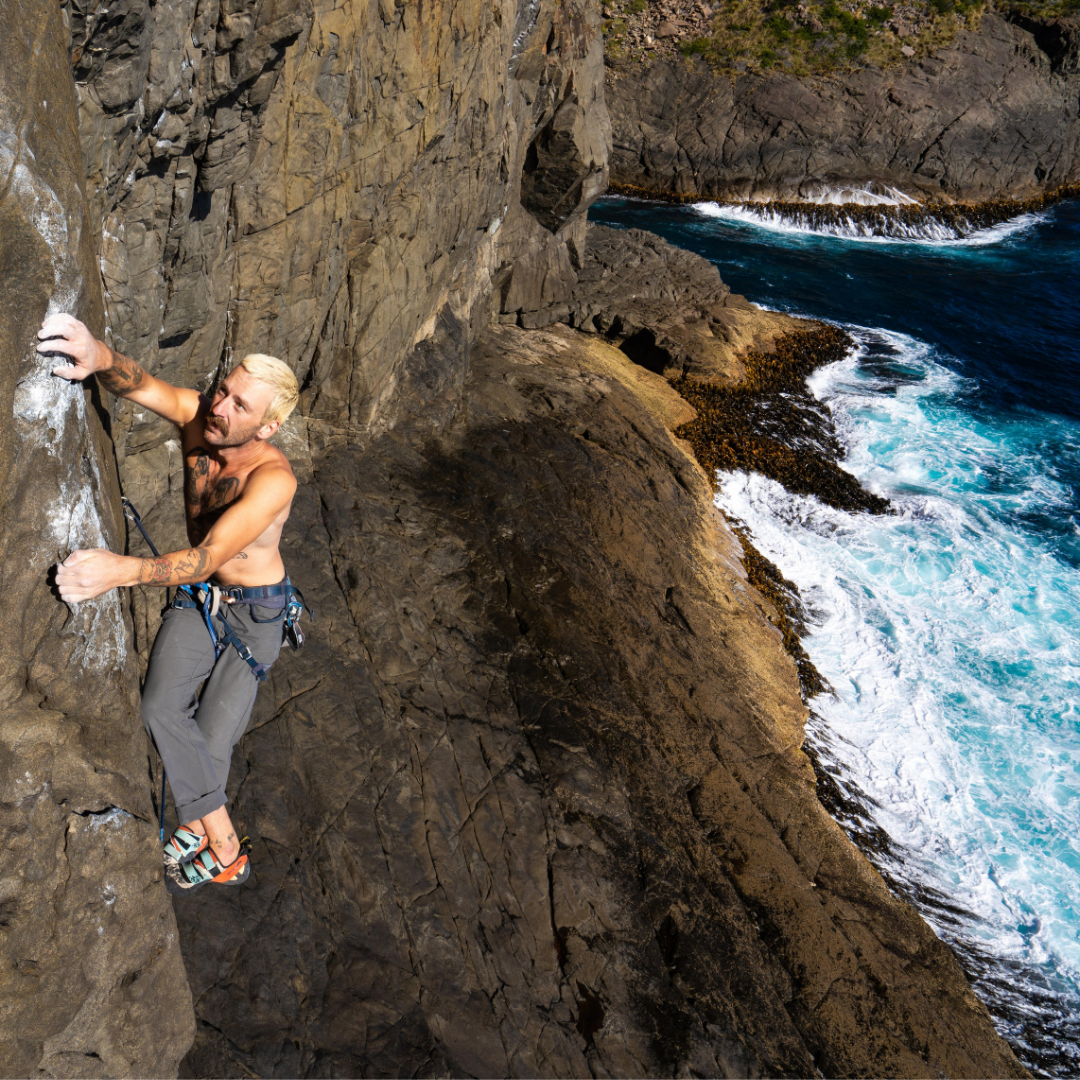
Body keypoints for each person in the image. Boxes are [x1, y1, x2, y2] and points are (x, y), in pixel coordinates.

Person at [38, 313, 300, 891]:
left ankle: (208, 830)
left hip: (254, 614)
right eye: (224, 389)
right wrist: (97, 353)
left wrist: (120, 572)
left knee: (208, 741)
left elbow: (209, 554)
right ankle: (225, 843)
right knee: (160, 710)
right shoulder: (201, 420)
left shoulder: (274, 481)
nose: (220, 407)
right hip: (204, 598)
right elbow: (142, 383)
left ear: (269, 427)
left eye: (239, 406)